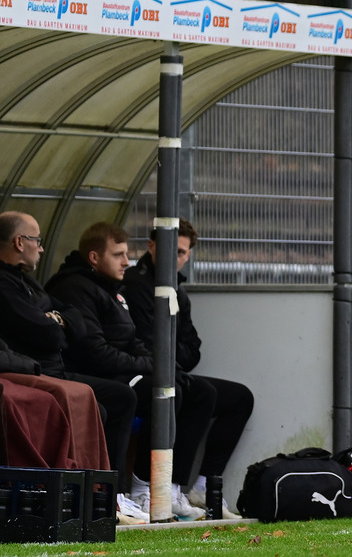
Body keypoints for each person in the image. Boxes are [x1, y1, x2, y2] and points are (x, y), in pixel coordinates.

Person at [45, 221, 213, 521]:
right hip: (94, 375)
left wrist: (158, 364)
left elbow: (139, 341)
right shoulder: (76, 288)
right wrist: (155, 366)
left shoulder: (114, 290)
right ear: (95, 257)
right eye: (118, 255)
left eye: (127, 254)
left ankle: (170, 486)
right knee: (152, 392)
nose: (126, 262)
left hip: (118, 370)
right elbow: (95, 353)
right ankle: (133, 489)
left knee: (192, 389)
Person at [0, 211, 145, 522]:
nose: (41, 248)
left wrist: (57, 320)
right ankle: (88, 496)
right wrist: (55, 322)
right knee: (102, 405)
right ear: (19, 241)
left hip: (55, 367)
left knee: (122, 397)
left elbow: (70, 322)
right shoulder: (6, 284)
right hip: (32, 371)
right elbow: (48, 332)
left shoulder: (28, 281)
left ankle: (112, 493)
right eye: (37, 240)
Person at [120, 219, 254, 519]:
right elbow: (146, 344)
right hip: (145, 374)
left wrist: (173, 355)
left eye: (182, 252)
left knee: (240, 397)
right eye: (171, 250)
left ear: (188, 255)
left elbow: (192, 348)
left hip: (174, 371)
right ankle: (160, 488)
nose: (176, 258)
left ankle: (202, 486)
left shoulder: (178, 289)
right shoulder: (135, 285)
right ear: (152, 247)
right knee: (185, 392)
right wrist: (173, 355)